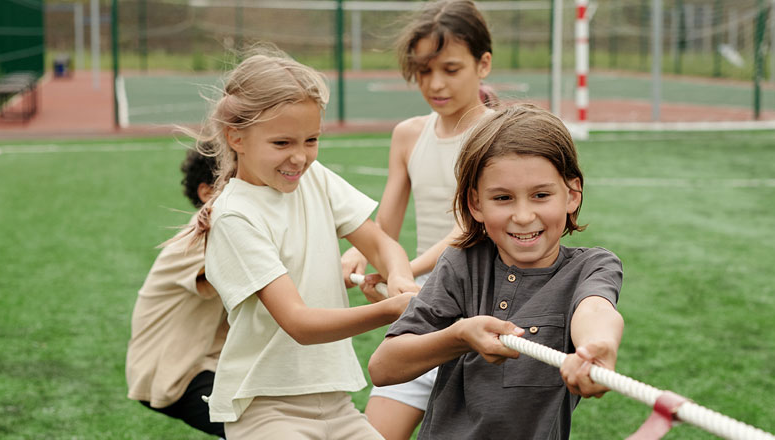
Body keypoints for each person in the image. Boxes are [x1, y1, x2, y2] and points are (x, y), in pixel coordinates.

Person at [178, 50, 420, 439]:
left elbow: (381, 243)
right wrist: (393, 309)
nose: (300, 157)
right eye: (282, 142)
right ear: (235, 136)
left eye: (311, 140)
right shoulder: (234, 215)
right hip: (266, 411)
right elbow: (299, 323)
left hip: (337, 404)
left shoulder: (315, 178)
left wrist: (401, 278)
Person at [367, 104, 626, 439]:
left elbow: (596, 309)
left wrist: (597, 345)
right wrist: (459, 336)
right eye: (503, 198)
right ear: (476, 204)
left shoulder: (592, 266)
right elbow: (383, 367)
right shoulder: (461, 264)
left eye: (540, 195)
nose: (522, 215)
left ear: (572, 194)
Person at [337, 1, 498, 436]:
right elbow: (385, 220)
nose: (435, 84)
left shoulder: (500, 133)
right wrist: (359, 251)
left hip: (489, 315)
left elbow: (470, 228)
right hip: (426, 314)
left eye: (450, 68)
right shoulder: (408, 134)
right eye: (424, 71)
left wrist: (402, 269)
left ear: (483, 64)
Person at [126, 148, 226, 437]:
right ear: (207, 193)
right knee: (266, 426)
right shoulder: (198, 239)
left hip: (210, 362)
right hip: (173, 372)